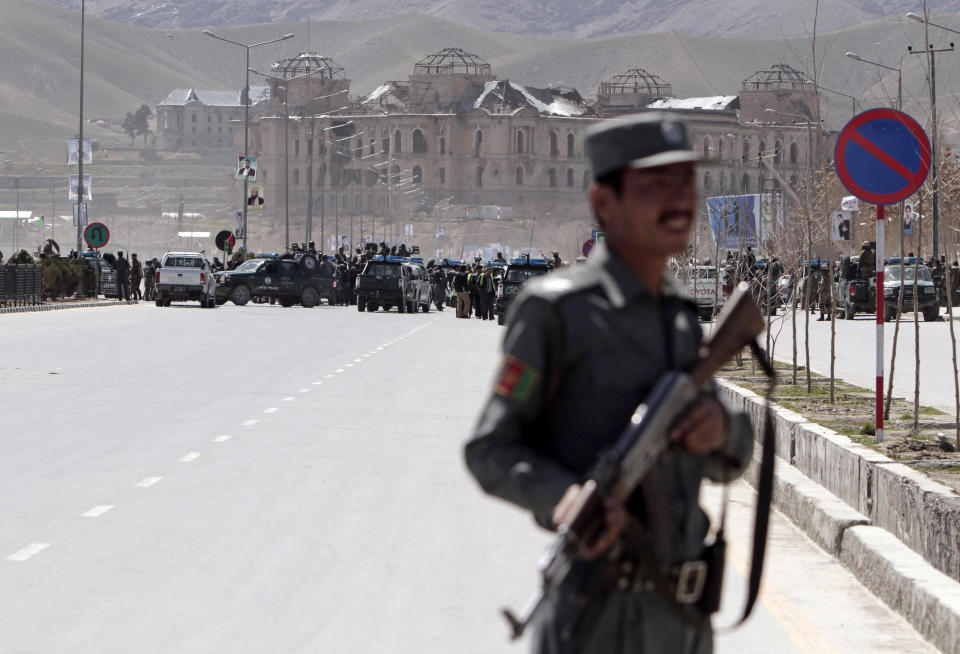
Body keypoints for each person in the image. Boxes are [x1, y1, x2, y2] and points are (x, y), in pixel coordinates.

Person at [464, 114, 753, 654]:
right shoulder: (555, 312)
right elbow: (489, 450)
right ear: (604, 202)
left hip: (684, 621)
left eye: (685, 183)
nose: (680, 201)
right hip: (597, 620)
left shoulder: (679, 317)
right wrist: (564, 498)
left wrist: (723, 432)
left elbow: (729, 458)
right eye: (656, 186)